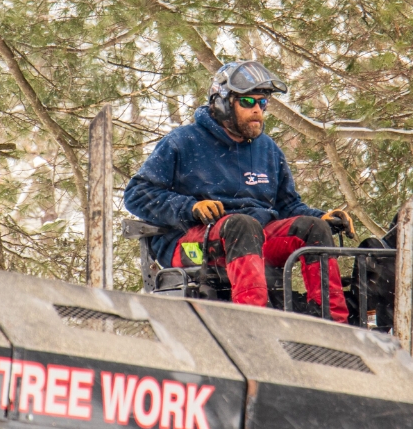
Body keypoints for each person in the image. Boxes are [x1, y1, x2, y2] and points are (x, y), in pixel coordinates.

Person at [124, 60, 354, 322]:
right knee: (242, 226)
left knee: (313, 229)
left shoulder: (267, 149)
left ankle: (333, 324)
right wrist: (188, 207)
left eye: (262, 103)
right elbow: (136, 194)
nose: (257, 110)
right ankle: (252, 324)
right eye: (248, 102)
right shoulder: (183, 141)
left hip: (253, 239)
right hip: (190, 245)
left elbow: (287, 206)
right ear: (222, 102)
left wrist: (322, 217)